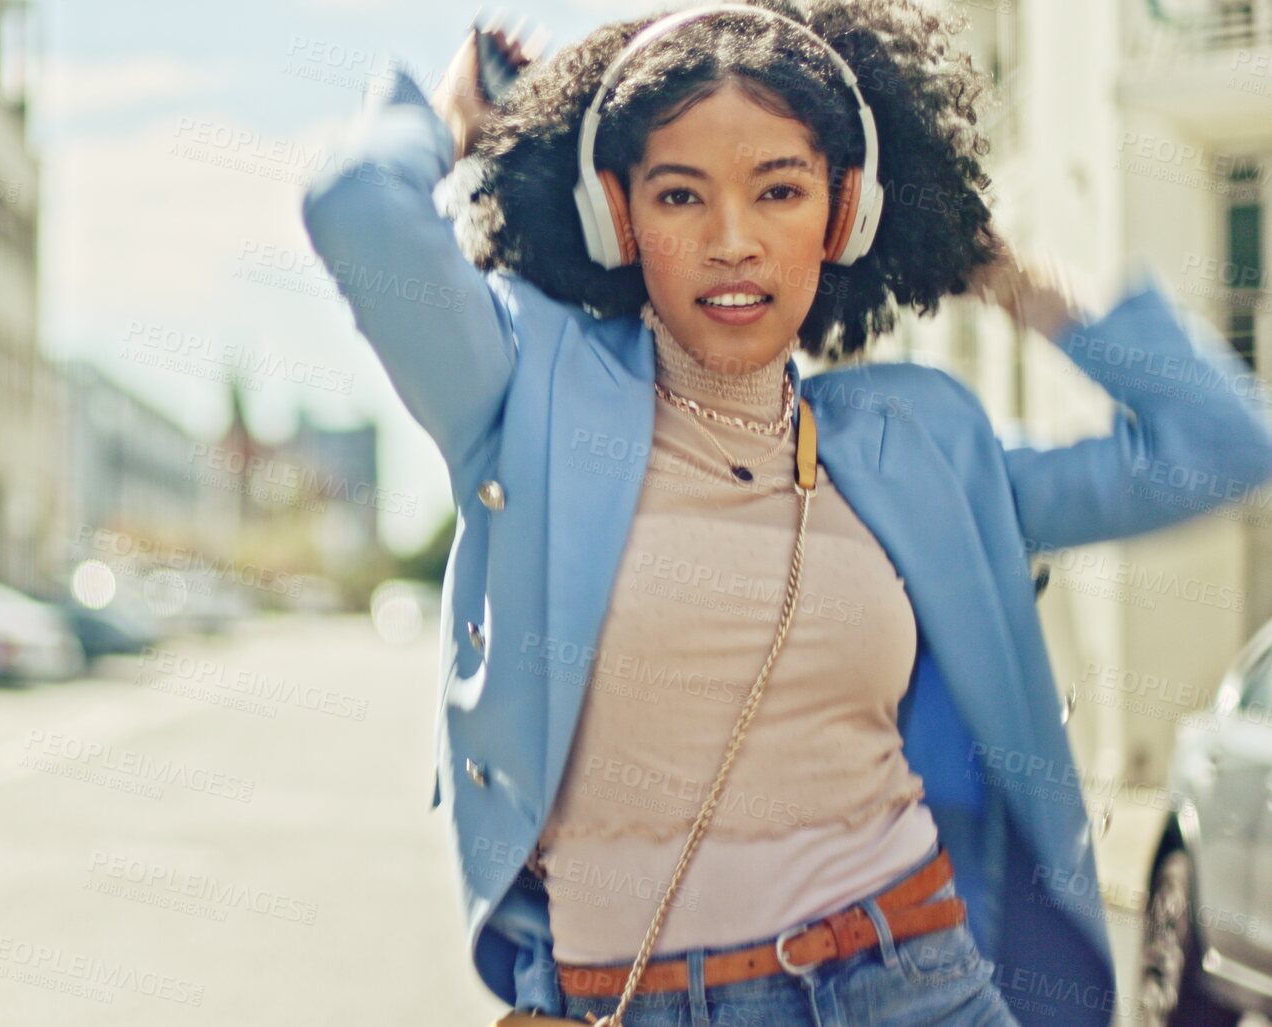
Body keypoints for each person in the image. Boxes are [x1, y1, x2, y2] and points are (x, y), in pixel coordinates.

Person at [297, 1, 1272, 1025]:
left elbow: (1221, 449)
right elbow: (356, 201)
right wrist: (452, 119)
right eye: (681, 195)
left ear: (845, 215)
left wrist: (999, 271)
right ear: (614, 217)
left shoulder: (915, 445)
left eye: (781, 190)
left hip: (914, 978)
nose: (734, 241)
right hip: (628, 1001)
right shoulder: (523, 395)